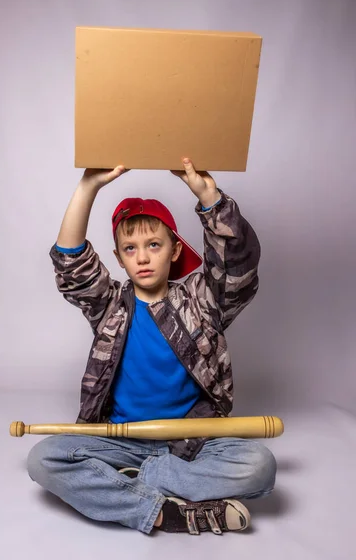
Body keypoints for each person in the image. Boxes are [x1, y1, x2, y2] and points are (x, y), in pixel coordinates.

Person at [27, 157, 277, 536]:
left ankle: (124, 484)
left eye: (154, 245)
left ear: (175, 250)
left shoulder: (201, 301)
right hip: (119, 440)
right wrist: (87, 187)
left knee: (260, 466)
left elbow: (236, 269)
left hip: (192, 444)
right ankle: (169, 513)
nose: (142, 257)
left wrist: (208, 195)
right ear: (119, 259)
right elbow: (71, 265)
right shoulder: (111, 306)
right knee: (44, 460)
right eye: (130, 248)